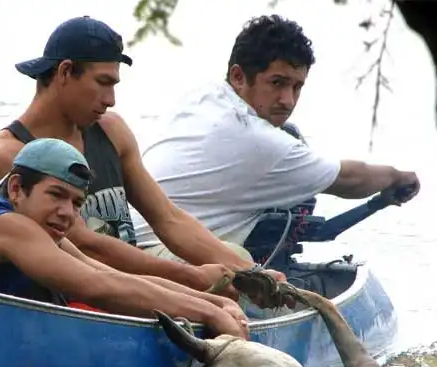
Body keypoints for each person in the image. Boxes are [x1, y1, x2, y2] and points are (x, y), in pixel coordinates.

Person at [0, 15, 286, 304]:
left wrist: (250, 274)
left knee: (236, 260)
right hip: (76, 285)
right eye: (103, 82)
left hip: (131, 271)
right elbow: (83, 245)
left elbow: (168, 219)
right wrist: (192, 278)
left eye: (114, 85)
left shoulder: (111, 130)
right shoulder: (8, 155)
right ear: (65, 72)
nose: (110, 99)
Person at [132, 14, 420, 259]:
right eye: (277, 83)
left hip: (132, 242)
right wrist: (397, 177)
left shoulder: (204, 98)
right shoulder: (256, 140)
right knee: (238, 262)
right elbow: (349, 179)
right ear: (238, 76)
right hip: (156, 251)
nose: (288, 100)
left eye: (297, 87)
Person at [0, 137, 249, 338]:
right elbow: (97, 288)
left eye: (75, 203)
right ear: (16, 188)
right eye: (55, 195)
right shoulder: (8, 225)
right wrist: (209, 315)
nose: (67, 213)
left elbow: (110, 275)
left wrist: (213, 303)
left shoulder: (40, 232)